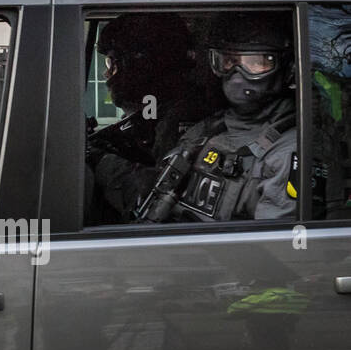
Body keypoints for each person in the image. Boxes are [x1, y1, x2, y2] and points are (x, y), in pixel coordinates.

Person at [125, 12, 299, 223]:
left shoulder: (288, 152)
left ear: (288, 71)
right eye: (230, 61)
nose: (238, 73)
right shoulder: (208, 129)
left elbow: (274, 249)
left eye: (256, 63)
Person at [86, 13, 217, 223]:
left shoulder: (183, 118)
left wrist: (99, 160)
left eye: (113, 63)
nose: (106, 74)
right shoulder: (157, 108)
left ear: (139, 65)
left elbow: (154, 195)